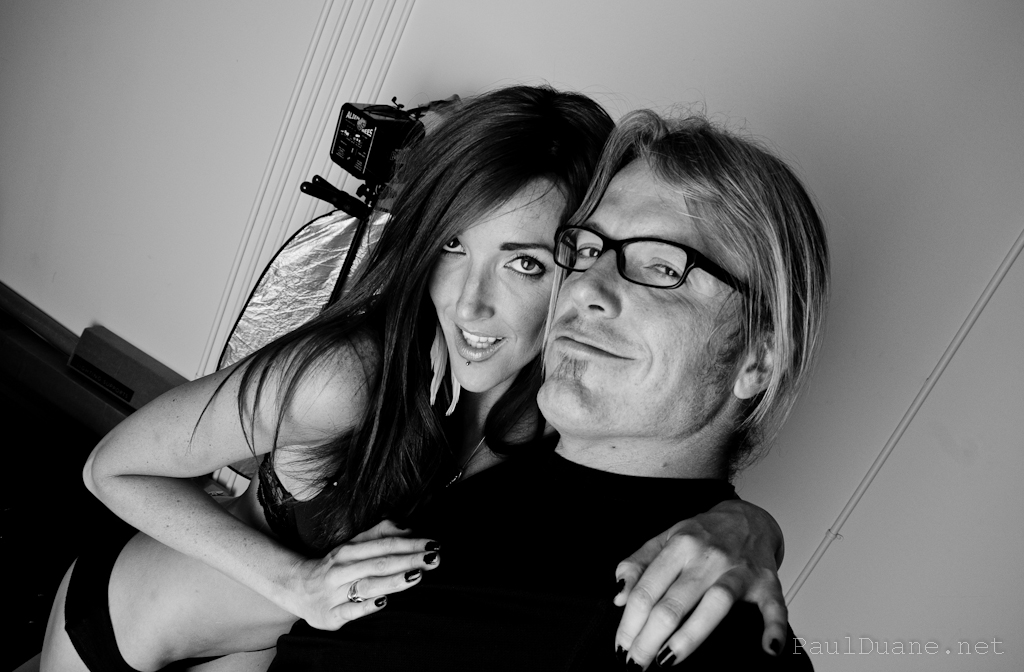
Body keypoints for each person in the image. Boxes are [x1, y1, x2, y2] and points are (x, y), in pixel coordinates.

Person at [39, 87, 788, 672]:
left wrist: (751, 527)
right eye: (452, 248)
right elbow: (111, 468)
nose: (469, 304)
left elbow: (655, 476)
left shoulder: (562, 415)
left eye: (525, 263)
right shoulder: (351, 376)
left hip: (260, 652)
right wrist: (296, 584)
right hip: (124, 625)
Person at [267, 109, 828, 670]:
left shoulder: (697, 622)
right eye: (588, 250)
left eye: (662, 266)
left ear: (758, 360)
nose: (584, 289)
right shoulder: (481, 447)